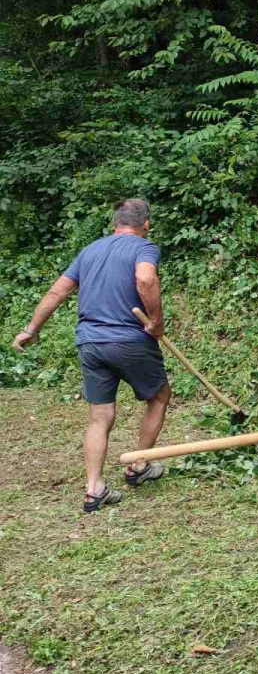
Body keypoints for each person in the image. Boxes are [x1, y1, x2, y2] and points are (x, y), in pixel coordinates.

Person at [11, 199, 171, 512]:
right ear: (146, 224)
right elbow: (145, 279)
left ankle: (94, 487)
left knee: (100, 417)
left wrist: (31, 329)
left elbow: (58, 292)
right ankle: (139, 466)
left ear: (115, 224)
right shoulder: (144, 247)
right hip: (129, 340)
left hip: (90, 343)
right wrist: (157, 321)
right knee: (159, 396)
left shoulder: (91, 250)